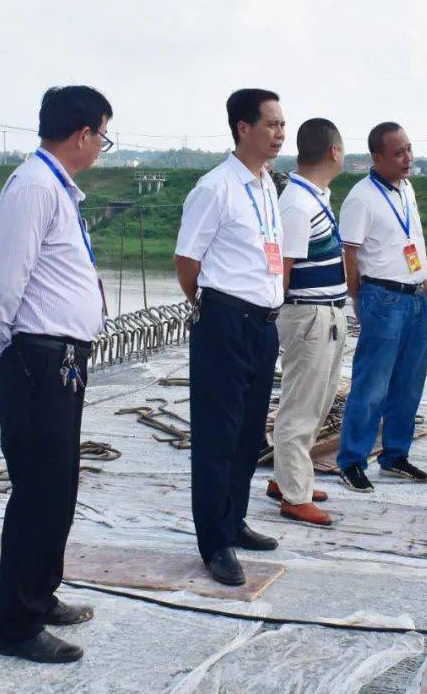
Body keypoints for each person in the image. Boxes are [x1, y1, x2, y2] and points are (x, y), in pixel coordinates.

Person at [0, 85, 113, 663]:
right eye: (103, 136)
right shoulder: (33, 187)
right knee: (37, 492)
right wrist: (3, 350)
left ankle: (39, 592)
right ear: (82, 134)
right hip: (36, 360)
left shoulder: (56, 187)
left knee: (58, 487)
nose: (103, 146)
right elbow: (8, 282)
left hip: (59, 360)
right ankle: (16, 626)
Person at [175, 89, 286, 586]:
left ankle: (234, 519)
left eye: (283, 124)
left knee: (247, 432)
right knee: (218, 434)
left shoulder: (266, 184)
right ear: (243, 128)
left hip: (263, 323)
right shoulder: (215, 187)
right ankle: (213, 541)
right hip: (225, 319)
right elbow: (186, 261)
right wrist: (214, 307)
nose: (280, 133)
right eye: (271, 124)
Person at [336, 122, 427, 493]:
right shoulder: (361, 198)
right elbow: (350, 254)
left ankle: (395, 455)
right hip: (382, 298)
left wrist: (424, 282)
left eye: (409, 149)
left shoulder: (405, 188)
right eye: (399, 153)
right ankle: (352, 460)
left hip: (414, 298)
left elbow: (411, 240)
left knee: (409, 383)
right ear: (376, 157)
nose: (408, 158)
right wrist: (357, 299)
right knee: (372, 384)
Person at [264, 118, 348, 526]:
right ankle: (294, 496)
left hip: (327, 313)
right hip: (310, 316)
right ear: (333, 151)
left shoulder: (315, 197)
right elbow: (285, 269)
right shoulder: (297, 203)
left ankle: (288, 478)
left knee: (317, 401)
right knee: (301, 406)